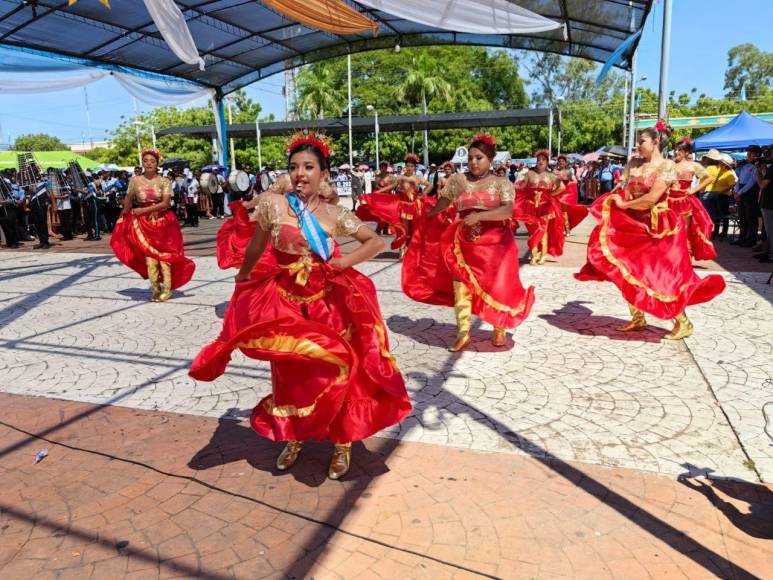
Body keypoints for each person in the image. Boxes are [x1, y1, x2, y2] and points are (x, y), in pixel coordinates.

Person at [190, 133, 411, 480]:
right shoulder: (273, 206)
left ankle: (342, 442)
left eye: (308, 167)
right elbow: (255, 245)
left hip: (329, 306)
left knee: (336, 374)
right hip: (286, 305)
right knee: (290, 373)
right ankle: (293, 435)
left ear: (323, 174)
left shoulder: (335, 214)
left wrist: (343, 262)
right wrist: (243, 277)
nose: (300, 174)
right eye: (294, 167)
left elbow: (376, 242)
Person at [575, 122, 726, 340]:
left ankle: (683, 322)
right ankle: (637, 318)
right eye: (637, 141)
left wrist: (624, 205)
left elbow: (651, 199)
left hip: (659, 227)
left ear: (656, 142)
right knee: (626, 271)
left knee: (663, 276)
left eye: (641, 141)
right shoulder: (634, 162)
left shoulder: (667, 167)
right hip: (632, 225)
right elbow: (625, 188)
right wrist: (616, 200)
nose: (637, 146)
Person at [404, 134, 535, 351]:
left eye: (479, 158)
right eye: (471, 158)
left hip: (496, 246)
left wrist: (480, 216)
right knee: (460, 287)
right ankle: (463, 333)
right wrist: (426, 216)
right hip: (463, 243)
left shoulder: (502, 182)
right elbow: (443, 203)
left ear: (490, 159)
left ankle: (498, 328)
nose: (473, 162)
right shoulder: (458, 181)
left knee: (497, 287)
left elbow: (507, 210)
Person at [111, 149, 196, 302]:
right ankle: (155, 288)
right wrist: (122, 218)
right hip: (143, 223)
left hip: (164, 223)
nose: (149, 163)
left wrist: (143, 210)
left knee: (164, 257)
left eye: (152, 161)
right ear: (142, 163)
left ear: (157, 163)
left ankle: (168, 289)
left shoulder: (165, 181)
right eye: (146, 161)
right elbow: (128, 201)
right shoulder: (134, 181)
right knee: (150, 258)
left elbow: (165, 204)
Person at [514, 150, 566, 265]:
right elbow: (522, 188)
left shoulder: (551, 175)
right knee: (532, 231)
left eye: (543, 160)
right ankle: (534, 254)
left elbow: (562, 187)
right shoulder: (529, 174)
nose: (540, 162)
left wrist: (551, 195)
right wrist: (510, 187)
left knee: (543, 229)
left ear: (547, 162)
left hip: (545, 206)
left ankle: (543, 254)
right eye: (538, 160)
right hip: (530, 206)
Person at [671, 139, 717, 260]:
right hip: (669, 200)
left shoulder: (693, 165)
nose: (676, 152)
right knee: (670, 229)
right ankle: (671, 256)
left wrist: (694, 189)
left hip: (684, 200)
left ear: (687, 152)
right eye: (676, 149)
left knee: (683, 229)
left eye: (679, 150)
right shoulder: (671, 164)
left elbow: (709, 178)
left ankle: (683, 257)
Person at [700, 150, 737, 240]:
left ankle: (724, 232)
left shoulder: (729, 173)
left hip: (724, 196)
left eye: (721, 162)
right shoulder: (719, 170)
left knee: (723, 214)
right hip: (716, 195)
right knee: (716, 214)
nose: (719, 162)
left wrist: (723, 191)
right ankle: (715, 232)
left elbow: (733, 184)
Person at [733, 145, 762, 247]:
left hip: (750, 193)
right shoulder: (744, 165)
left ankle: (751, 240)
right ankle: (742, 237)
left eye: (751, 153)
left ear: (757, 154)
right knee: (742, 216)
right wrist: (736, 191)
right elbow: (738, 179)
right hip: (741, 191)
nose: (748, 155)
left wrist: (740, 192)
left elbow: (751, 182)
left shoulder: (757, 166)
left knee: (751, 217)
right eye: (748, 153)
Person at [755, 153, 773, 263]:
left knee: (770, 230)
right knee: (768, 230)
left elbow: (762, 185)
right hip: (768, 203)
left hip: (768, 203)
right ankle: (766, 252)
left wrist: (758, 173)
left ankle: (770, 254)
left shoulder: (771, 169)